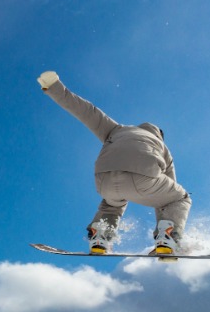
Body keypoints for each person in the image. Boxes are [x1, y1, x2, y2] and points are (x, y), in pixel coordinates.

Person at [37, 70, 191, 256]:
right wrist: (163, 239)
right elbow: (166, 201)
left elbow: (86, 111)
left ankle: (100, 237)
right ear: (159, 135)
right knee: (179, 198)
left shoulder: (115, 130)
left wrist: (53, 87)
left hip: (104, 179)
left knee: (112, 204)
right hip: (143, 175)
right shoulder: (162, 147)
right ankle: (168, 239)